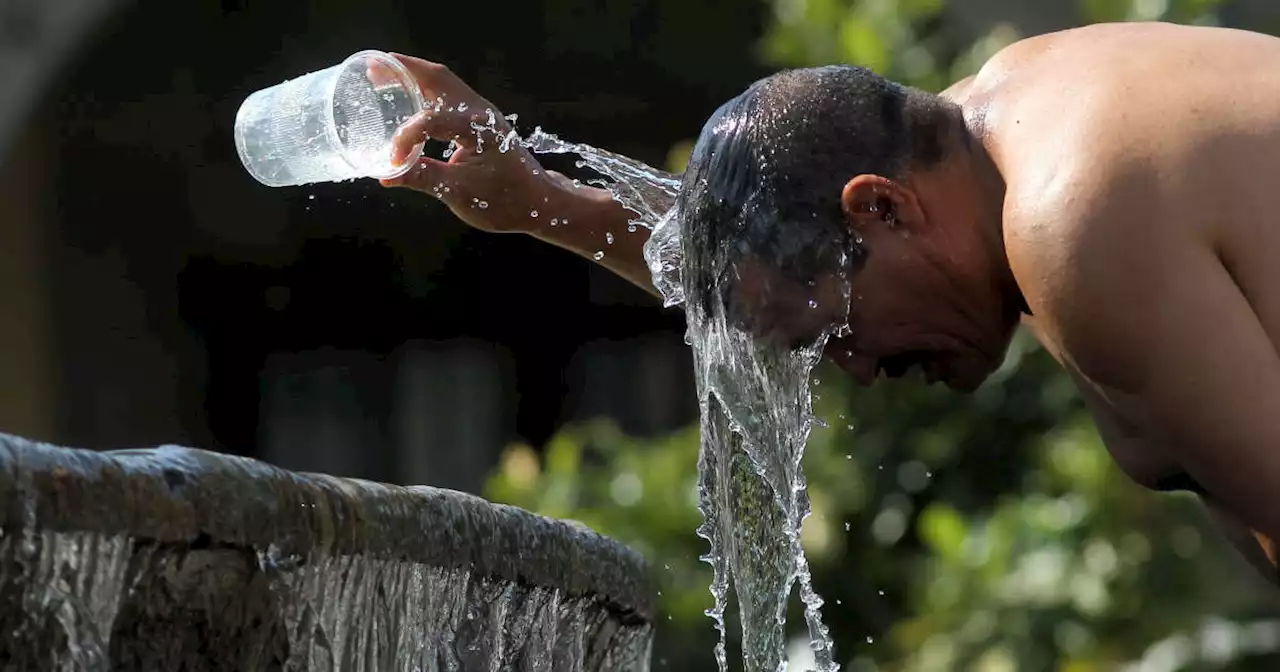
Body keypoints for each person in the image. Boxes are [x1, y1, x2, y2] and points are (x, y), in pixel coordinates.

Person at [379, 21, 1280, 582]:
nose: (853, 367)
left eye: (837, 333)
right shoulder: (992, 127)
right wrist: (540, 200)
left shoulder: (1072, 228)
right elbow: (766, 264)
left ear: (882, 205)